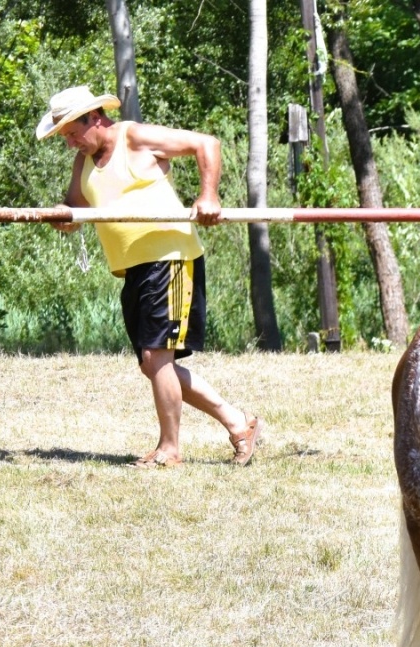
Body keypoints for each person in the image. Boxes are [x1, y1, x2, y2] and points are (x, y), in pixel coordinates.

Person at [37, 85, 263, 468]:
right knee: (153, 364)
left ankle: (169, 449)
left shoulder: (135, 137)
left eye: (73, 134)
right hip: (134, 269)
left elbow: (206, 144)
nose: (71, 143)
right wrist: (62, 216)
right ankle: (239, 423)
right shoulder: (83, 162)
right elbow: (75, 209)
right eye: (65, 138)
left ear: (96, 118)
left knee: (155, 357)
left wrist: (209, 195)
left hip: (169, 258)